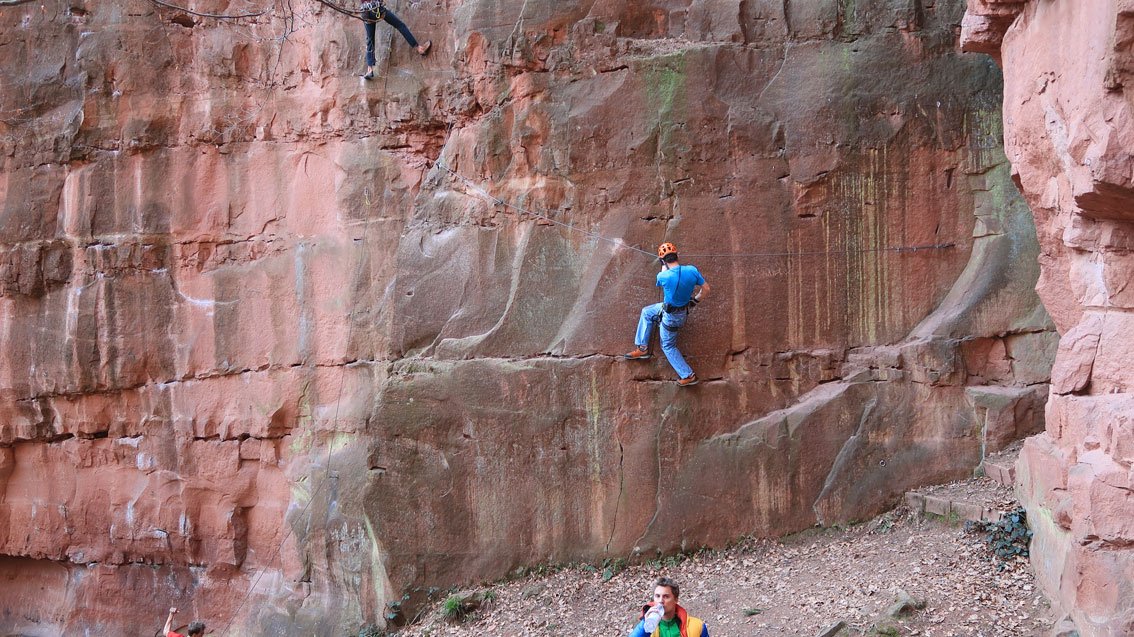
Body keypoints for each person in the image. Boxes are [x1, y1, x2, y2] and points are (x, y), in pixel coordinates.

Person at [624, 242, 710, 386]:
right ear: (677, 255)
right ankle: (642, 348)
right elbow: (706, 288)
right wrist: (695, 301)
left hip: (671, 317)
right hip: (680, 310)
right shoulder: (692, 270)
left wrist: (663, 264)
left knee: (668, 346)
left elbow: (663, 276)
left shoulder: (663, 276)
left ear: (663, 260)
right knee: (646, 312)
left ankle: (688, 375)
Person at [360, 0, 431, 80]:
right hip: (376, 9)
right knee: (400, 25)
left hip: (365, 13)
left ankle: (369, 69)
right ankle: (419, 48)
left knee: (370, 39)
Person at [629, 577, 710, 637]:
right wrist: (645, 624)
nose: (661, 600)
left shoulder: (697, 626)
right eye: (657, 596)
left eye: (666, 596)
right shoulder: (647, 627)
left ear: (676, 599)